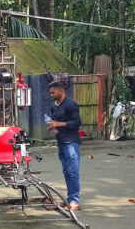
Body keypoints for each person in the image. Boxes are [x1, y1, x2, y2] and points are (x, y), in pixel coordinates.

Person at [47, 80, 82, 211]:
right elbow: (55, 124)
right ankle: (69, 199)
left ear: (61, 91)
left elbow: (77, 122)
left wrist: (58, 124)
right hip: (61, 143)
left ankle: (74, 201)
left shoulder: (70, 104)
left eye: (53, 92)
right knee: (66, 172)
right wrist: (51, 127)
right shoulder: (53, 106)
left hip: (71, 143)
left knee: (73, 173)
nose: (51, 94)